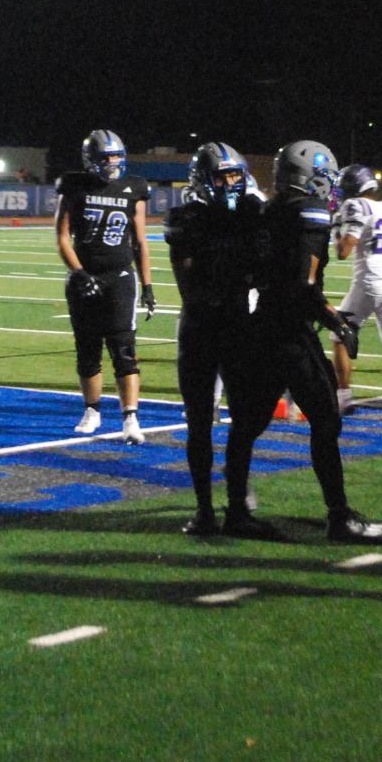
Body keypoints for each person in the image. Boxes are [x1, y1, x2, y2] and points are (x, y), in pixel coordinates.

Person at [219, 139, 382, 543]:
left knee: (247, 425)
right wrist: (334, 319)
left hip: (262, 327)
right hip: (291, 332)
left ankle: (236, 511)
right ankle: (339, 515)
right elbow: (302, 285)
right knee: (326, 421)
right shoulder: (308, 213)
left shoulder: (269, 209)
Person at [164, 142, 261, 535]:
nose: (231, 183)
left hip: (238, 323)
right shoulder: (187, 218)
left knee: (245, 417)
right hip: (202, 326)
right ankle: (205, 509)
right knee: (200, 421)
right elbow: (189, 286)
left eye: (235, 175)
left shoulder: (253, 213)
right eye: (223, 176)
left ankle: (237, 506)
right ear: (204, 180)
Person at [54, 129, 153, 442]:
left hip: (120, 276)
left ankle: (130, 419)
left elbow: (140, 241)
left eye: (116, 156)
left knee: (124, 348)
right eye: (106, 157)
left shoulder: (133, 187)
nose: (112, 163)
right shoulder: (73, 185)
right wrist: (80, 274)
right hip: (85, 276)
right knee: (88, 349)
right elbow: (61, 237)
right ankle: (92, 410)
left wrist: (148, 284)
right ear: (91, 159)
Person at [333, 164, 382, 421]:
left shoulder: (356, 205)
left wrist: (336, 230)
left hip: (368, 281)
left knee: (339, 336)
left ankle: (344, 399)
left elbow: (343, 252)